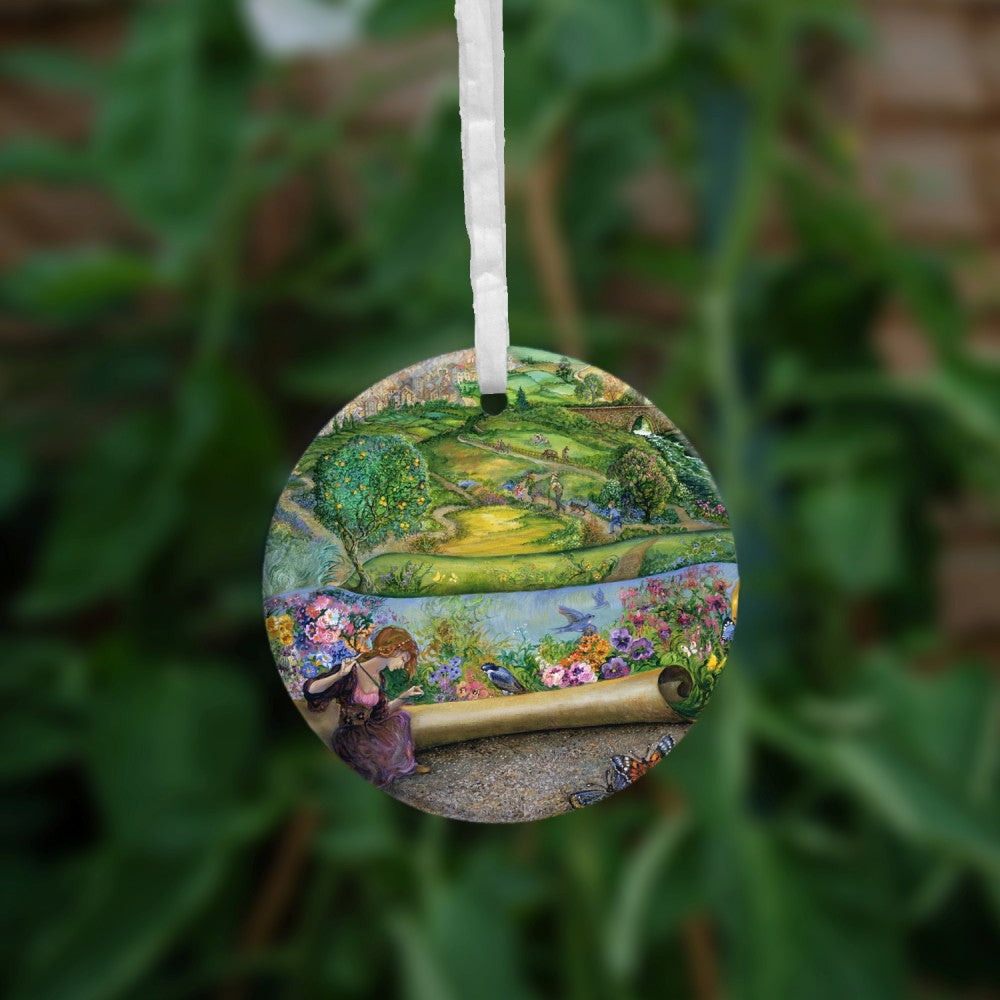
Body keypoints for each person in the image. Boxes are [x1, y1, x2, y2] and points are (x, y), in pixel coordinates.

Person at [302, 626, 427, 787]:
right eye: (403, 659)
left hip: (368, 730)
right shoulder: (350, 671)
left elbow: (381, 713)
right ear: (393, 651)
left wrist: (404, 696)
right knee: (375, 763)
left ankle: (399, 765)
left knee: (402, 717)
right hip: (349, 736)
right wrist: (339, 675)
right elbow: (311, 690)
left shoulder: (380, 679)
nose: (402, 665)